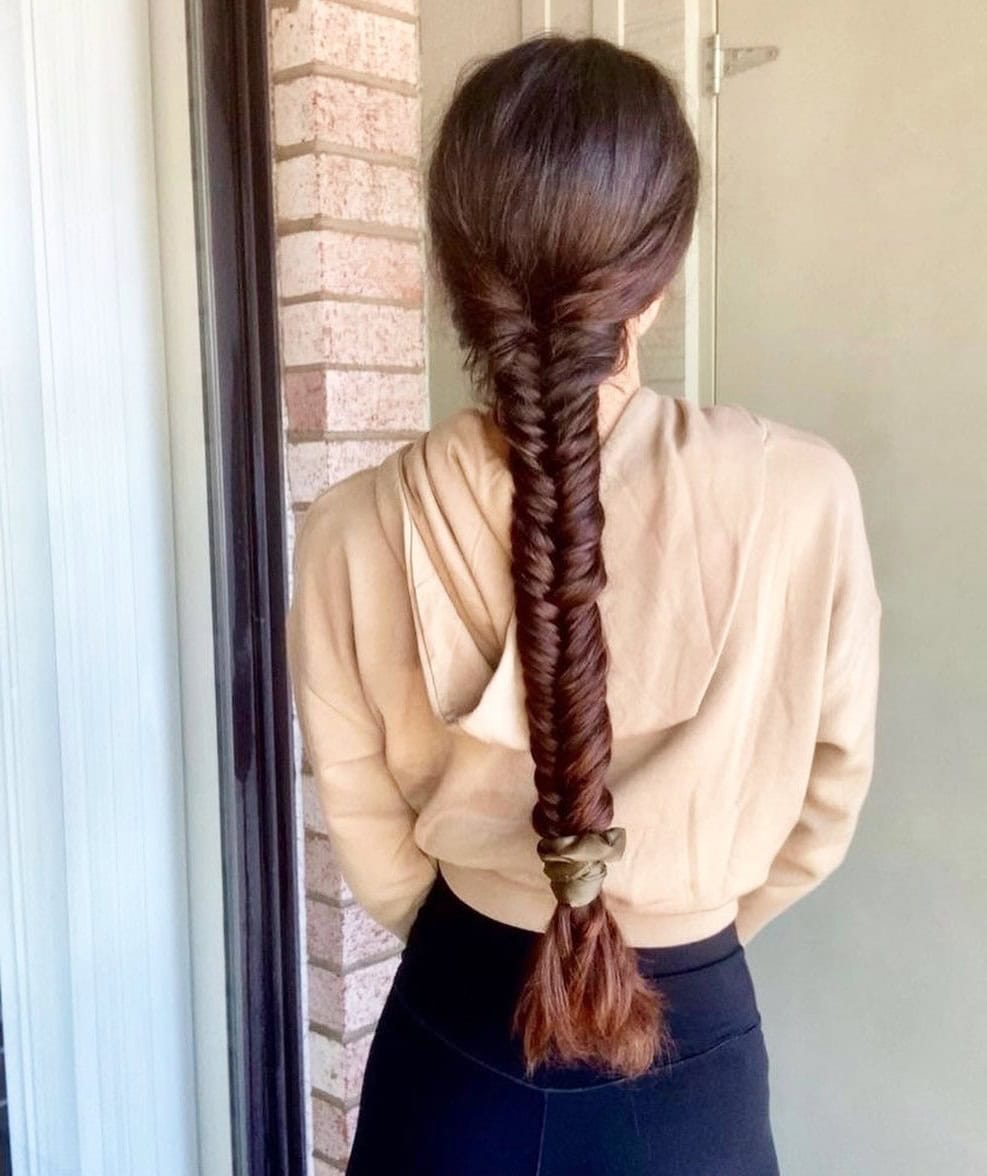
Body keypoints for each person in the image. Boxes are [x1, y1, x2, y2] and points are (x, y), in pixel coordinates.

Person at [286, 32, 882, 1176]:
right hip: (688, 1043)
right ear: (654, 279)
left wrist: (499, 927)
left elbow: (370, 842)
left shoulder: (348, 529)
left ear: (462, 272)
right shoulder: (802, 495)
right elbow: (826, 801)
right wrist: (676, 928)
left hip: (456, 1036)